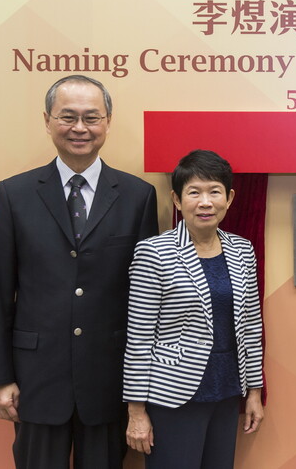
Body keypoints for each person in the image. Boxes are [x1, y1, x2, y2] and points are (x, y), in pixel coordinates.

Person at [0, 75, 159, 468]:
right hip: (35, 380)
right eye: (68, 117)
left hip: (109, 380)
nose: (80, 128)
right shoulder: (15, 194)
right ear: (47, 120)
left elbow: (146, 301)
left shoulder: (138, 196)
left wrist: (140, 391)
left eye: (92, 117)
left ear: (108, 121)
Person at [123, 149, 264, 468]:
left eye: (214, 191)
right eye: (194, 192)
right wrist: (136, 410)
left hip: (227, 392)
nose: (205, 202)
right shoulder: (154, 253)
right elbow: (139, 337)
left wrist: (254, 391)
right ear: (176, 199)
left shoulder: (242, 250)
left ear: (229, 198)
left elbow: (252, 327)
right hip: (173, 395)